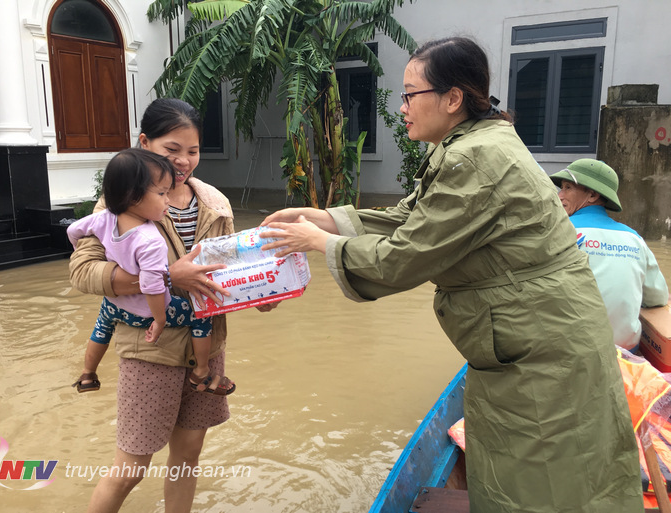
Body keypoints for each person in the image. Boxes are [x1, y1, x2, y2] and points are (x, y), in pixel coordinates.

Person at [260, 37, 643, 512]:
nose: (401, 108)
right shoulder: (474, 142)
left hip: (540, 349)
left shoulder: (473, 158)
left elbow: (405, 257)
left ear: (453, 98)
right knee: (538, 470)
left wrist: (320, 244)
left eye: (409, 94)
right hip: (533, 337)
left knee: (548, 481)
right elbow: (417, 215)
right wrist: (327, 218)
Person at [69, 98, 253, 513]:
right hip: (149, 348)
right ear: (145, 142)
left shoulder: (216, 204)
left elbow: (225, 271)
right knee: (131, 467)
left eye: (193, 151)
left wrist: (257, 292)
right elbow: (82, 272)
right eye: (172, 150)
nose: (184, 162)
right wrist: (168, 277)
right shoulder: (121, 202)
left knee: (187, 458)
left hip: (206, 345)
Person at [68, 148, 234, 397]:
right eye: (161, 193)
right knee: (201, 313)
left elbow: (73, 231)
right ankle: (201, 371)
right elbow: (154, 286)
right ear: (133, 196)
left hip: (115, 303)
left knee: (102, 326)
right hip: (145, 312)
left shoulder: (105, 218)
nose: (167, 199)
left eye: (193, 150)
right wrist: (159, 320)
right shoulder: (150, 239)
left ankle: (88, 374)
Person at [550, 158, 669, 351]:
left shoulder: (556, 231)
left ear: (592, 195)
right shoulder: (634, 239)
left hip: (569, 351)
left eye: (568, 188)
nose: (559, 195)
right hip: (626, 349)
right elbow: (658, 297)